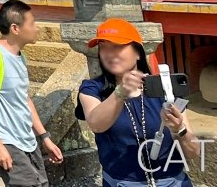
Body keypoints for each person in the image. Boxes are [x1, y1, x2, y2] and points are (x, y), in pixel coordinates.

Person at [77, 18, 200, 185]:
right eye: (103, 47)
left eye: (117, 47)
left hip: (172, 181)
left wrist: (180, 130)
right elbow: (96, 124)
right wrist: (120, 92)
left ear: (138, 53)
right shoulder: (93, 89)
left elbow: (193, 152)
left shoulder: (165, 88)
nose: (109, 53)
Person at [0, 0, 63, 187]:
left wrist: (44, 137)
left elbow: (25, 99)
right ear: (15, 28)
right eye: (32, 23)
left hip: (26, 139)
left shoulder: (20, 57)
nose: (37, 28)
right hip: (6, 140)